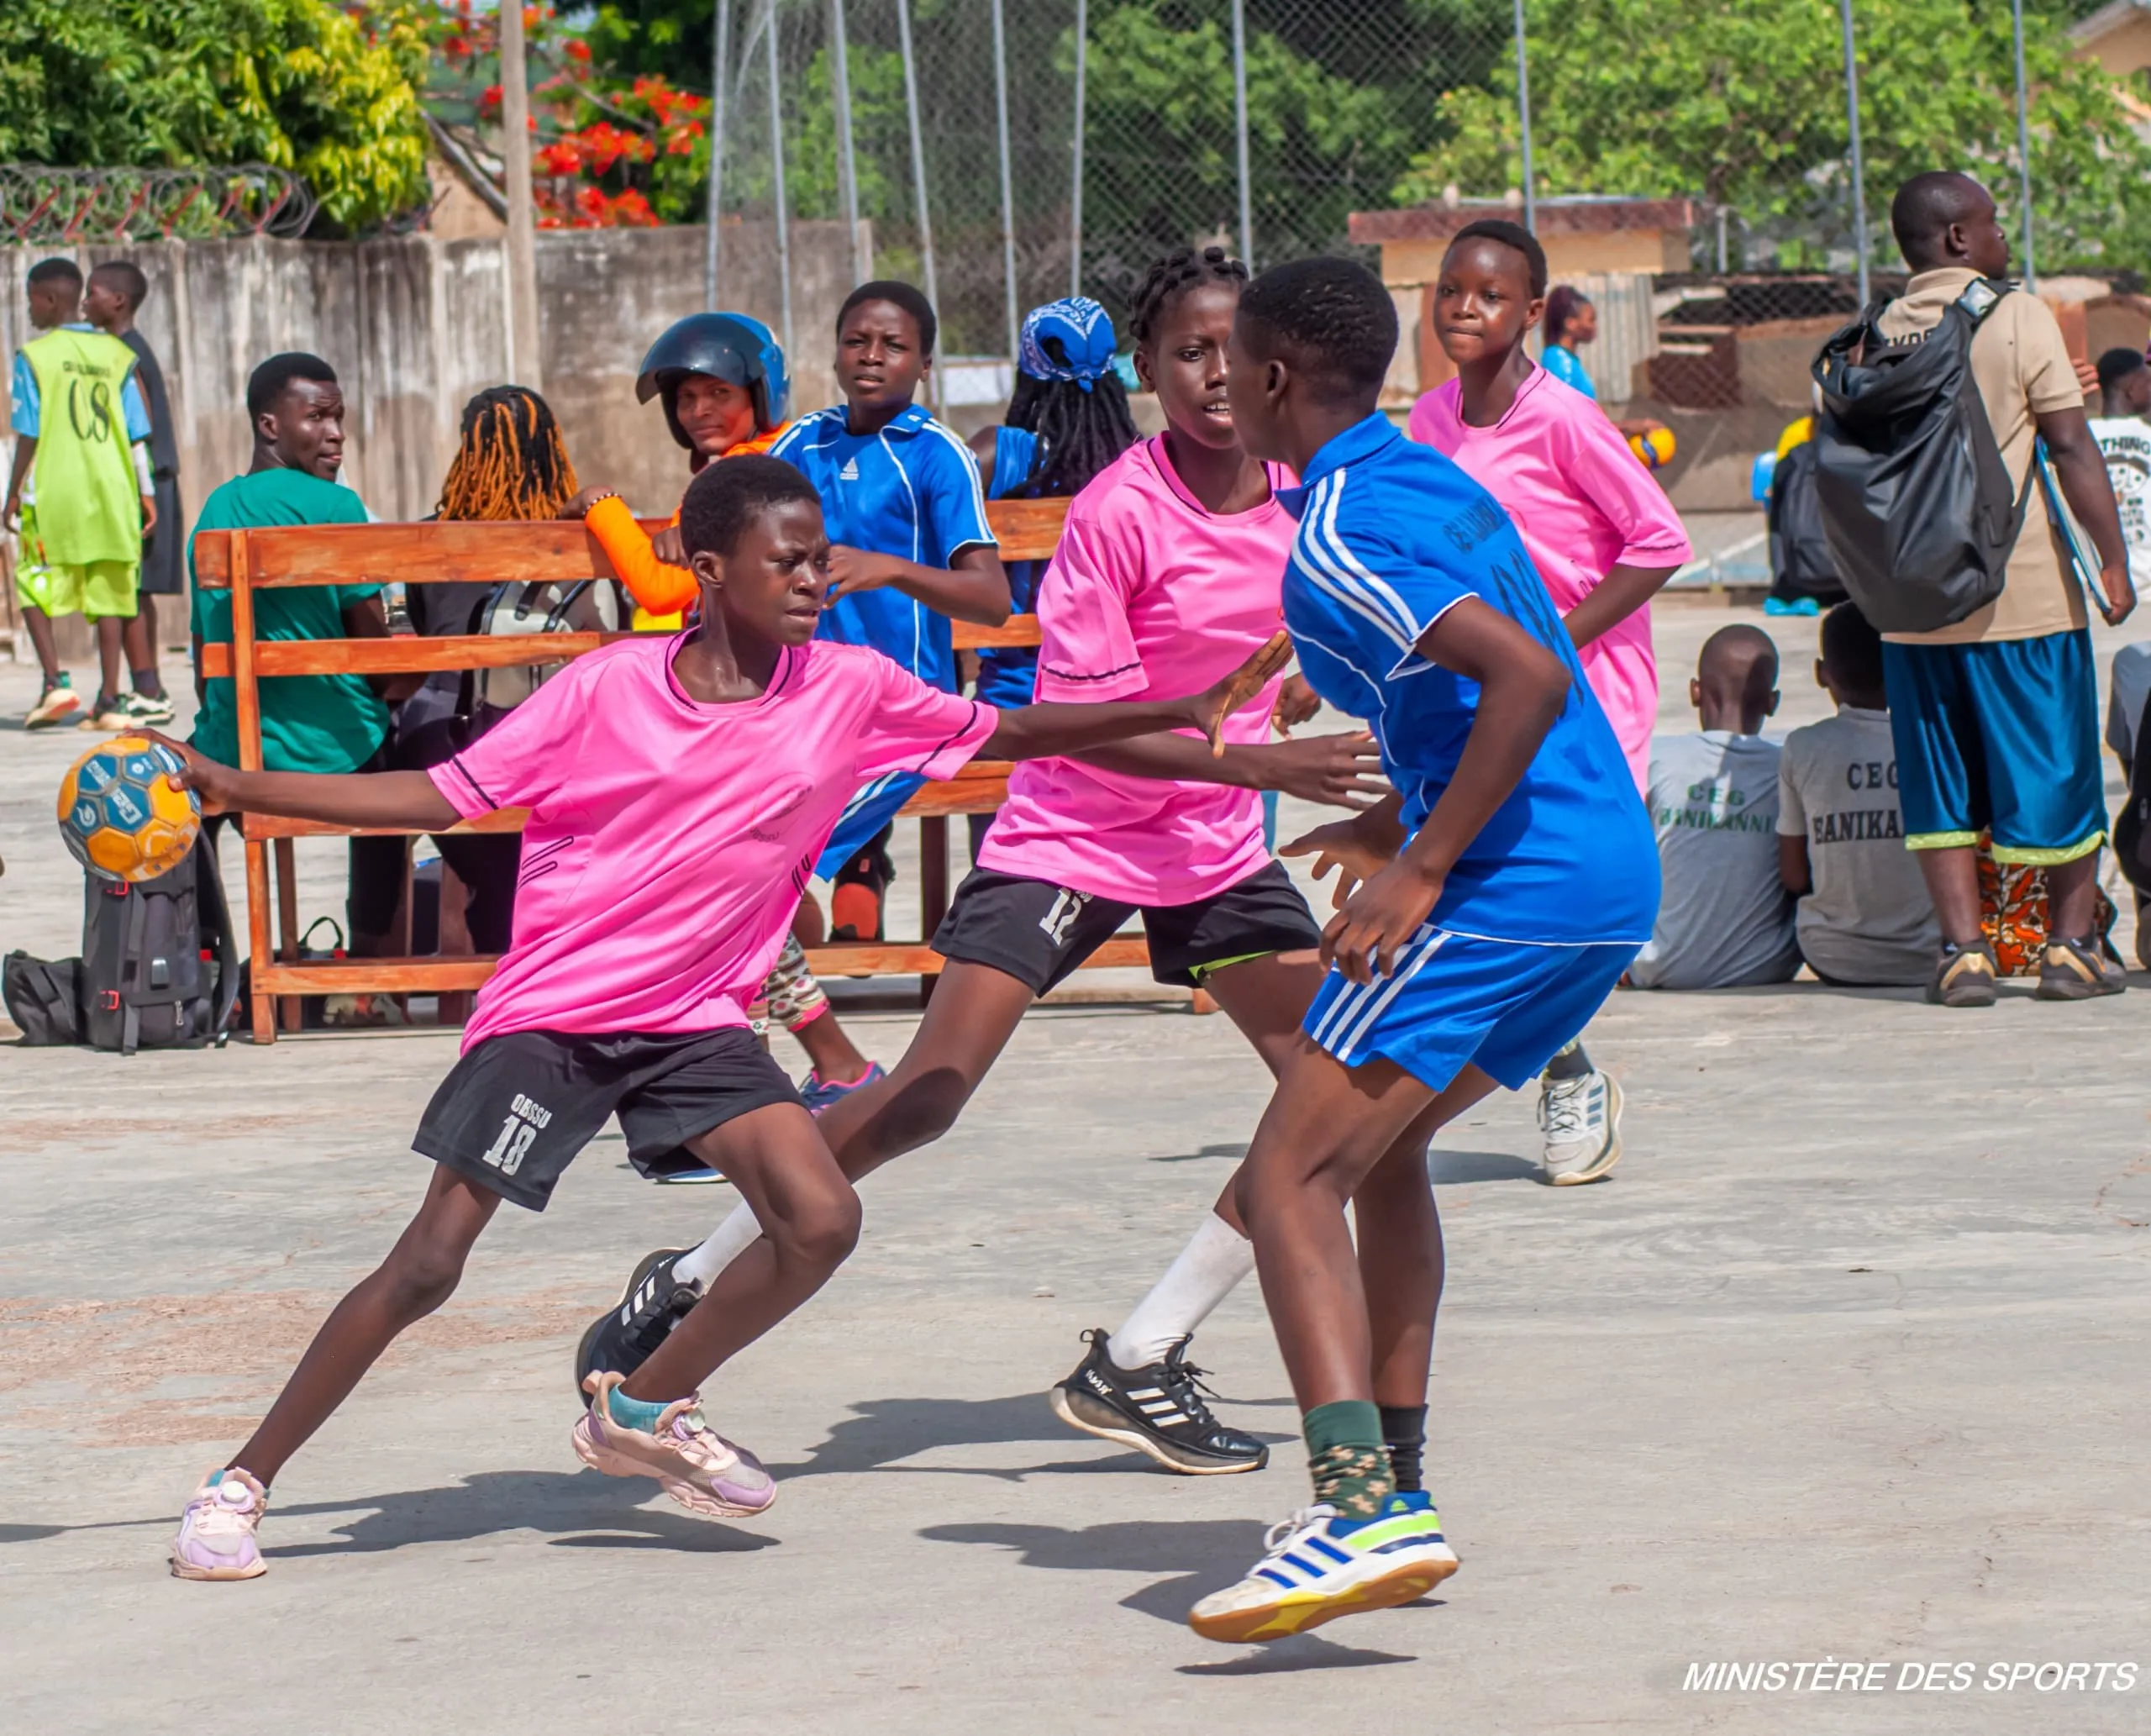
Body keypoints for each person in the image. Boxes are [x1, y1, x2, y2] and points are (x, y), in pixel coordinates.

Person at [155, 453, 1288, 1581]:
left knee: (820, 1215)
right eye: (787, 560)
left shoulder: (850, 685)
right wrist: (242, 786)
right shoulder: (605, 690)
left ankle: (640, 1405)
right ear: (707, 570)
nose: (813, 578)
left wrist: (1185, 711)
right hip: (558, 1015)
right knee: (430, 1264)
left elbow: (1016, 730)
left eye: (818, 558)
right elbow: (434, 794)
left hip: (697, 1021)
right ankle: (238, 1482)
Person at [571, 245, 1387, 1477]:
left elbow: (1341, 636)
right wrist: (1274, 765)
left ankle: (1143, 1355)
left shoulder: (1306, 496)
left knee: (1340, 1096)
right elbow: (1103, 727)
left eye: (1234, 349)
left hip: (1215, 850)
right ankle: (690, 1276)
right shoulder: (1118, 511)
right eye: (1187, 352)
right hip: (1079, 830)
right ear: (1146, 370)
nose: (1216, 374)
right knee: (933, 1092)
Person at [1182, 255, 1659, 1642]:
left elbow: (1525, 673)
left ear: (1273, 380)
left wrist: (1422, 863)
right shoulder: (1429, 478)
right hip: (1596, 869)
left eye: (1227, 361)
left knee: (1285, 1177)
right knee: (1378, 1161)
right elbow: (1500, 693)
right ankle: (1394, 1487)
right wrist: (1404, 811)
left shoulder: (1333, 532)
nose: (1215, 383)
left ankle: (1353, 1507)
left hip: (1516, 878)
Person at [1408, 218, 1691, 1183]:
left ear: (1531, 313)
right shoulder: (1429, 419)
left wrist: (1552, 642)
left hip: (1587, 689)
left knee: (1564, 895)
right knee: (1489, 888)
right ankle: (1554, 1063)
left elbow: (1655, 542)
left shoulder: (1563, 415)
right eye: (1450, 290)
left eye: (1487, 295)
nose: (1463, 308)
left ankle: (1566, 1073)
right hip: (1485, 688)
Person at [562, 313, 883, 1110]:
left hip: (755, 711)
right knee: (730, 896)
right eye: (686, 398)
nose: (700, 411)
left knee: (728, 891)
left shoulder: (747, 477)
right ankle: (780, 1074)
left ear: (758, 391)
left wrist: (604, 509)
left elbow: (665, 589)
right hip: (734, 709)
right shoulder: (739, 471)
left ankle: (784, 1075)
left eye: (719, 393)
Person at [1875, 172, 2134, 1007]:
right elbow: (2069, 446)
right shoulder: (2016, 314)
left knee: (1939, 780)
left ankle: (1961, 953)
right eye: (1990, 223)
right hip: (2018, 595)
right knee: (2057, 764)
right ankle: (2068, 947)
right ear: (1957, 239)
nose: (2000, 235)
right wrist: (2112, 560)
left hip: (1912, 607)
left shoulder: (1875, 332)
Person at [772, 281, 1012, 942]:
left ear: (924, 366)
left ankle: (804, 890)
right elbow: (732, 511)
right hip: (801, 695)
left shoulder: (935, 454)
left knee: (792, 813)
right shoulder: (802, 442)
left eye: (894, 345)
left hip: (905, 707)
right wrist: (693, 527)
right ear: (836, 354)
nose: (872, 356)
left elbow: (993, 601)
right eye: (857, 341)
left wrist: (892, 569)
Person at [187, 353, 418, 963]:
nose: (336, 432)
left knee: (189, 789)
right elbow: (375, 656)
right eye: (317, 417)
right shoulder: (337, 507)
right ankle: (372, 962)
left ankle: (208, 961)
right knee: (396, 769)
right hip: (338, 753)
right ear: (271, 426)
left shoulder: (216, 510)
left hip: (237, 754)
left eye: (338, 417)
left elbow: (200, 657)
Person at [963, 295, 1139, 852]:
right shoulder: (1142, 464)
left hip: (1012, 707)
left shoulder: (997, 456)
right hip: (1119, 709)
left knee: (998, 867)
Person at [4, 255, 156, 730]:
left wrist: (12, 493)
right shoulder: (117, 355)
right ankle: (110, 698)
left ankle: (55, 682)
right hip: (112, 489)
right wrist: (146, 492)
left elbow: (28, 431)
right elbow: (136, 434)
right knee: (109, 586)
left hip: (55, 489)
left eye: (31, 301)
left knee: (32, 577)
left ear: (50, 301)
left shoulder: (35, 357)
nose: (29, 311)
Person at [1628, 626, 1799, 991]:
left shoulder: (1656, 760)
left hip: (1659, 967)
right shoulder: (1789, 767)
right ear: (1773, 702)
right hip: (1767, 968)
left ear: (1695, 692)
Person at [1775, 602, 1938, 986]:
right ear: (1904, 666)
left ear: (1821, 674)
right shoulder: (1932, 742)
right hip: (1929, 953)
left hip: (1832, 956)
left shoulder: (1802, 747)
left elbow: (1794, 875)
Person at [83, 259, 180, 723]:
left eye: (92, 293)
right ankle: (149, 687)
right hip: (149, 483)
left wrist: (137, 489)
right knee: (134, 590)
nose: (86, 302)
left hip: (145, 485)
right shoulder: (127, 348)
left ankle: (147, 688)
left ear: (117, 301)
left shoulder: (125, 354)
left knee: (132, 589)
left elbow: (136, 428)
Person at [2088, 347, 2151, 580]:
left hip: (2096, 585)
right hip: (2147, 589)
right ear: (2133, 389)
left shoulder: (2081, 439)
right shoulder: (2147, 436)